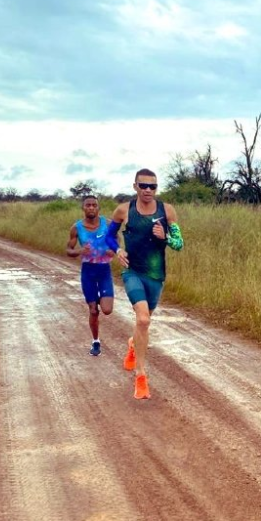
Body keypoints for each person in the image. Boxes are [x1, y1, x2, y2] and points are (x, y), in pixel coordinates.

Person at [107, 168, 183, 399]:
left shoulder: (166, 211)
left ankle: (133, 344)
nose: (148, 190)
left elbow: (179, 244)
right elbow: (110, 236)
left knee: (143, 324)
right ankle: (141, 375)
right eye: (144, 186)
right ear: (135, 187)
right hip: (133, 272)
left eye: (153, 186)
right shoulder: (124, 210)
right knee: (143, 319)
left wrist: (166, 237)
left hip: (156, 275)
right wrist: (118, 249)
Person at [66, 195, 118, 356]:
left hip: (104, 270)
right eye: (87, 205)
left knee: (107, 310)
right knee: (93, 311)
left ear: (98, 208)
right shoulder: (76, 228)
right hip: (88, 271)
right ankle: (96, 341)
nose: (91, 208)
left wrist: (114, 250)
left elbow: (117, 239)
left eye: (94, 205)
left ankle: (99, 301)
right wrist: (80, 251)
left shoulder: (108, 224)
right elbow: (69, 250)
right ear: (83, 208)